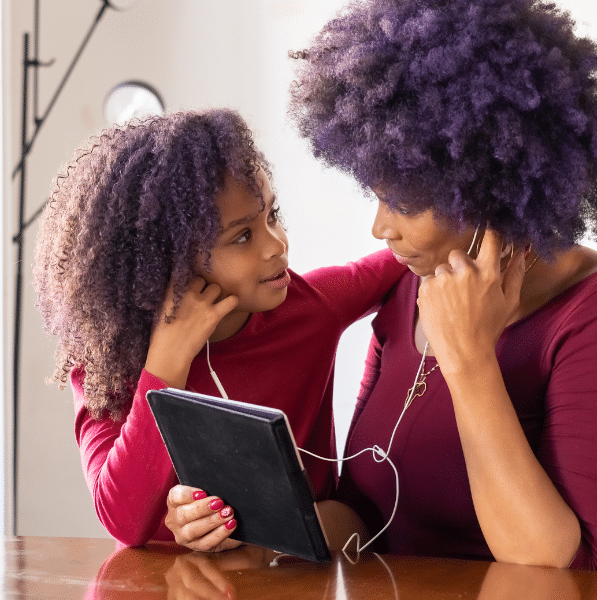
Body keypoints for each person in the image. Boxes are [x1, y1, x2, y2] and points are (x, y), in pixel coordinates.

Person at [284, 0, 597, 571]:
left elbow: (561, 568)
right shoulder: (412, 288)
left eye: (402, 202)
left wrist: (469, 357)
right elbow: (364, 519)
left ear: (487, 190)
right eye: (375, 196)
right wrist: (255, 520)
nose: (380, 228)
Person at [32, 108, 404, 548]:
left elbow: (411, 252)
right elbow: (122, 520)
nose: (277, 245)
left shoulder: (311, 306)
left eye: (272, 215)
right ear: (171, 263)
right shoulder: (108, 363)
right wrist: (166, 363)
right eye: (242, 237)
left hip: (291, 579)